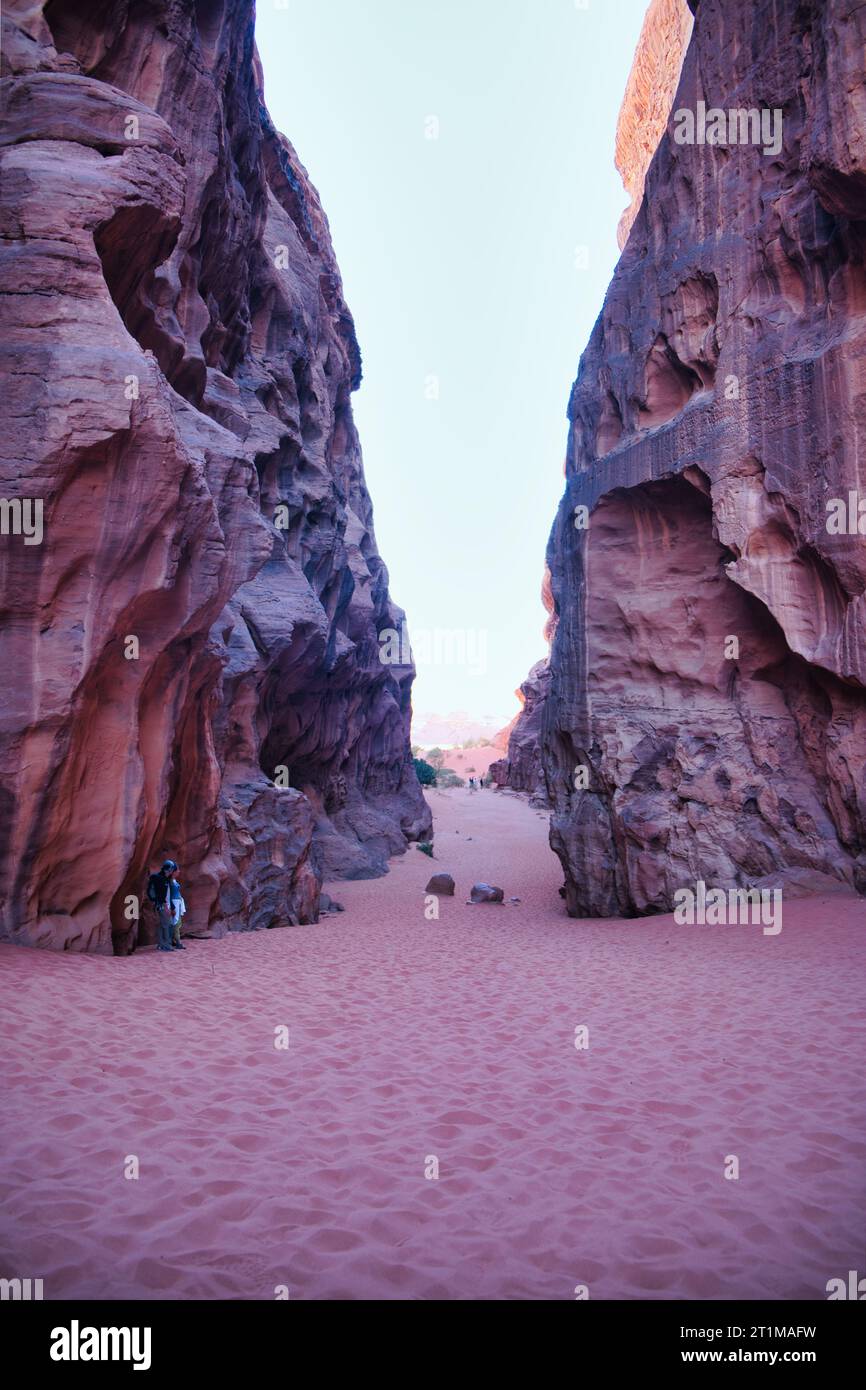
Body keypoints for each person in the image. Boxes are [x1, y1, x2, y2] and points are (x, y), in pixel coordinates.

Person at [147, 859, 180, 952]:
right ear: (168, 869)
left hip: (164, 905)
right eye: (171, 869)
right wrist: (165, 906)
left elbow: (168, 895)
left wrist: (172, 907)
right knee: (167, 924)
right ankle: (166, 945)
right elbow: (161, 895)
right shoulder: (160, 879)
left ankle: (161, 944)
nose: (172, 871)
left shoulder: (166, 879)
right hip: (162, 905)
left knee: (162, 925)